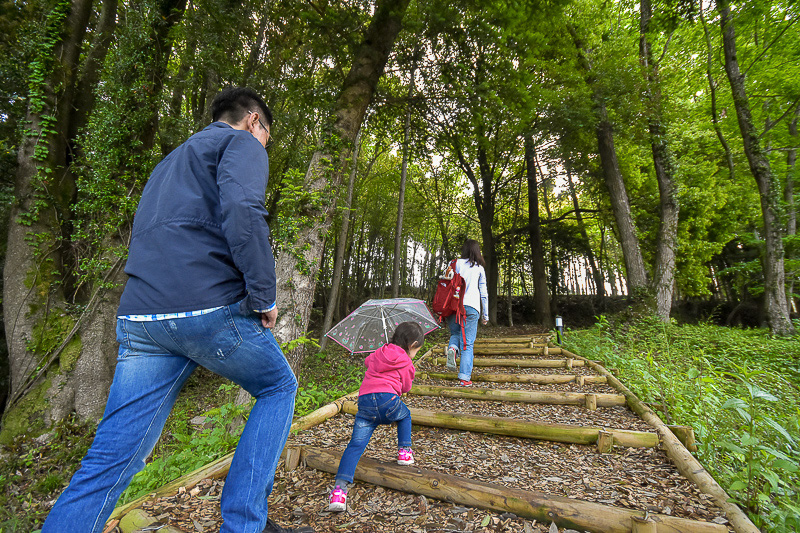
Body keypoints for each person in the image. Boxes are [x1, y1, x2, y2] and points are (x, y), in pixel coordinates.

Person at [42, 88, 313, 533]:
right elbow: (243, 210)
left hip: (141, 317)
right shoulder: (241, 142)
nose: (264, 144)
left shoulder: (167, 163)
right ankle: (245, 523)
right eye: (267, 134)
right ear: (252, 121)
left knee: (111, 458)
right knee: (279, 386)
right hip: (206, 307)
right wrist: (263, 295)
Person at [327, 321, 424, 512]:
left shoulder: (380, 352)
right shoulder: (406, 360)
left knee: (355, 445)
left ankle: (339, 491)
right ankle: (404, 451)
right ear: (412, 345)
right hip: (388, 400)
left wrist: (382, 354)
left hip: (364, 403)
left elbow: (367, 361)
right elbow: (406, 387)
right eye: (417, 350)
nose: (415, 354)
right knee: (405, 415)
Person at [445, 239, 489, 386]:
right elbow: (483, 293)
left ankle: (452, 348)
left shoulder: (455, 263)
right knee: (468, 344)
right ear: (477, 251)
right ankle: (464, 378)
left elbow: (446, 283)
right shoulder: (479, 269)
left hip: (453, 306)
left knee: (456, 334)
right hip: (471, 307)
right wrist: (485, 315)